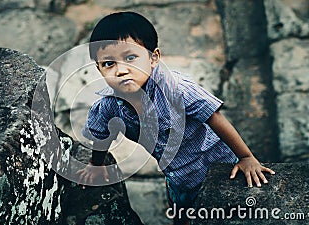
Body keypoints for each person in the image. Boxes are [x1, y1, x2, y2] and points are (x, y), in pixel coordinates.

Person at [76, 11, 275, 224]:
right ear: (98, 69)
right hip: (177, 179)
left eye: (130, 58)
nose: (121, 70)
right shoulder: (108, 107)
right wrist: (96, 165)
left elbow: (214, 117)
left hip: (217, 166)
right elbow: (101, 136)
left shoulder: (177, 90)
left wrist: (245, 157)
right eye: (109, 63)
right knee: (182, 216)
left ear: (153, 58)